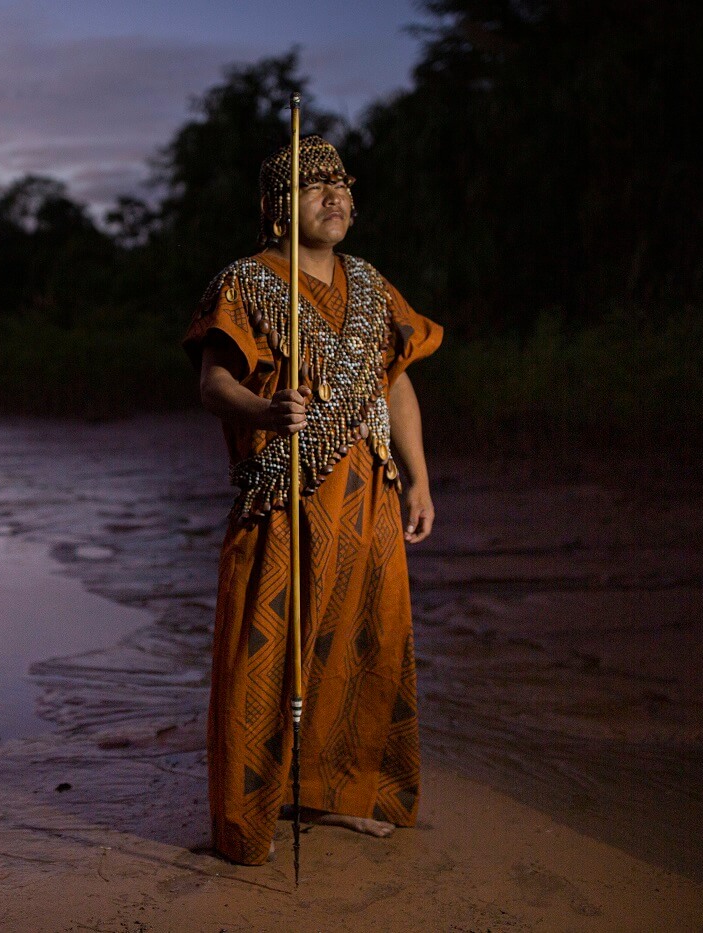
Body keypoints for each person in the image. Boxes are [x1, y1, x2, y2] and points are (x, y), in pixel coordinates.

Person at [182, 135, 442, 866]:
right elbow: (212, 384)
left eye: (339, 185)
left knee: (367, 643)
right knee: (270, 649)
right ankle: (250, 812)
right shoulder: (245, 281)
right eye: (310, 186)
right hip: (285, 502)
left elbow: (396, 383)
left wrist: (419, 477)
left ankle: (341, 792)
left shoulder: (372, 283)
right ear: (275, 208)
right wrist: (265, 414)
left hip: (372, 504)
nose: (332, 197)